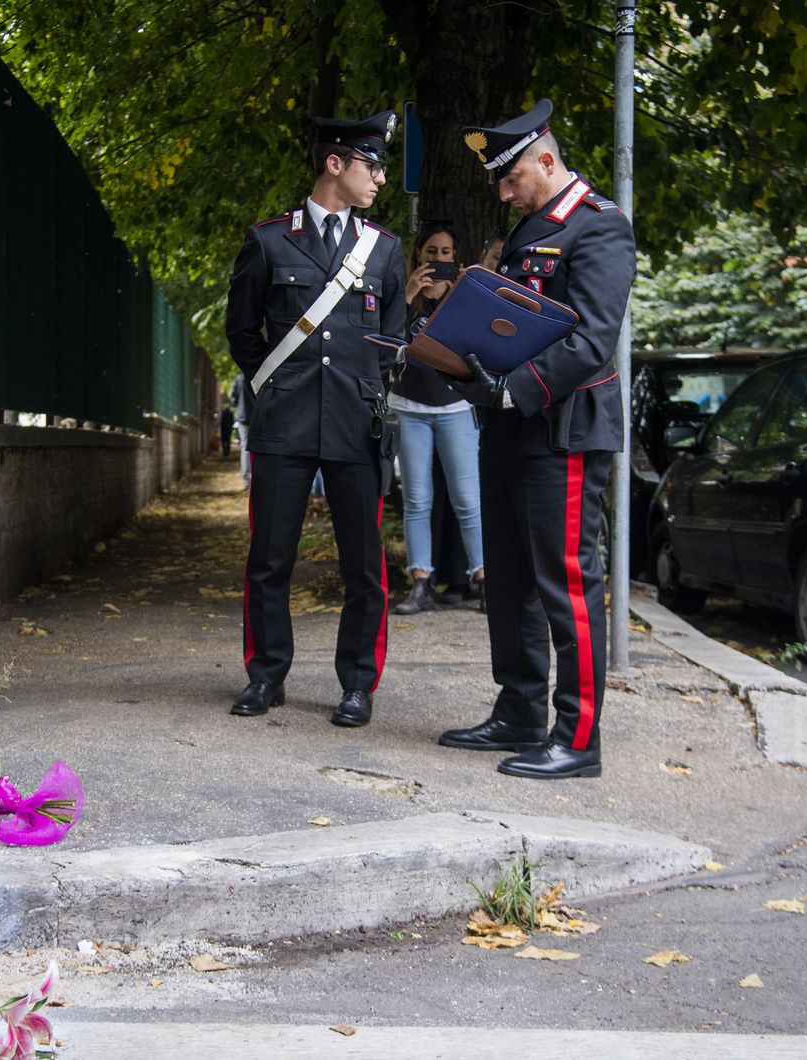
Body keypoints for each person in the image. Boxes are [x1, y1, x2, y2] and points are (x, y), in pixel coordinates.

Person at [437, 99, 636, 779]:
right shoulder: (527, 231)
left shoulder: (601, 229)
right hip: (510, 427)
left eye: (511, 177)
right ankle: (520, 709)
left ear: (545, 160)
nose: (503, 191)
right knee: (512, 579)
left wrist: (513, 387)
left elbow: (590, 340)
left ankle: (578, 739)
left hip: (564, 431)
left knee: (567, 584)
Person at [224, 109, 408, 728]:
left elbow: (391, 337)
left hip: (358, 425)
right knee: (270, 558)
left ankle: (358, 685)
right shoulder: (270, 240)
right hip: (285, 425)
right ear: (336, 164)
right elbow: (242, 331)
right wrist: (276, 386)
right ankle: (266, 675)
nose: (380, 177)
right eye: (371, 165)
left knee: (363, 565)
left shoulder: (383, 250)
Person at [390, 224, 484, 615]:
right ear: (419, 255)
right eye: (432, 251)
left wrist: (461, 292)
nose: (439, 259)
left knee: (467, 499)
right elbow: (383, 337)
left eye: (446, 252)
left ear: (455, 258)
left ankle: (483, 579)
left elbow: (480, 344)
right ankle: (421, 583)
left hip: (455, 407)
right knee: (417, 500)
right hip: (409, 407)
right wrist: (409, 292)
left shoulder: (465, 298)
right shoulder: (403, 296)